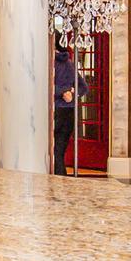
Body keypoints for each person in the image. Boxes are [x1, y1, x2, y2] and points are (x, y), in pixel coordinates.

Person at [51, 45, 87, 175]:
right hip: (70, 112)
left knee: (53, 153)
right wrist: (72, 92)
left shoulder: (50, 63)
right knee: (60, 152)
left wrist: (62, 92)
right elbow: (84, 87)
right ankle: (63, 181)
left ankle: (55, 183)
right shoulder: (70, 64)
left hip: (55, 112)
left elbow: (45, 87)